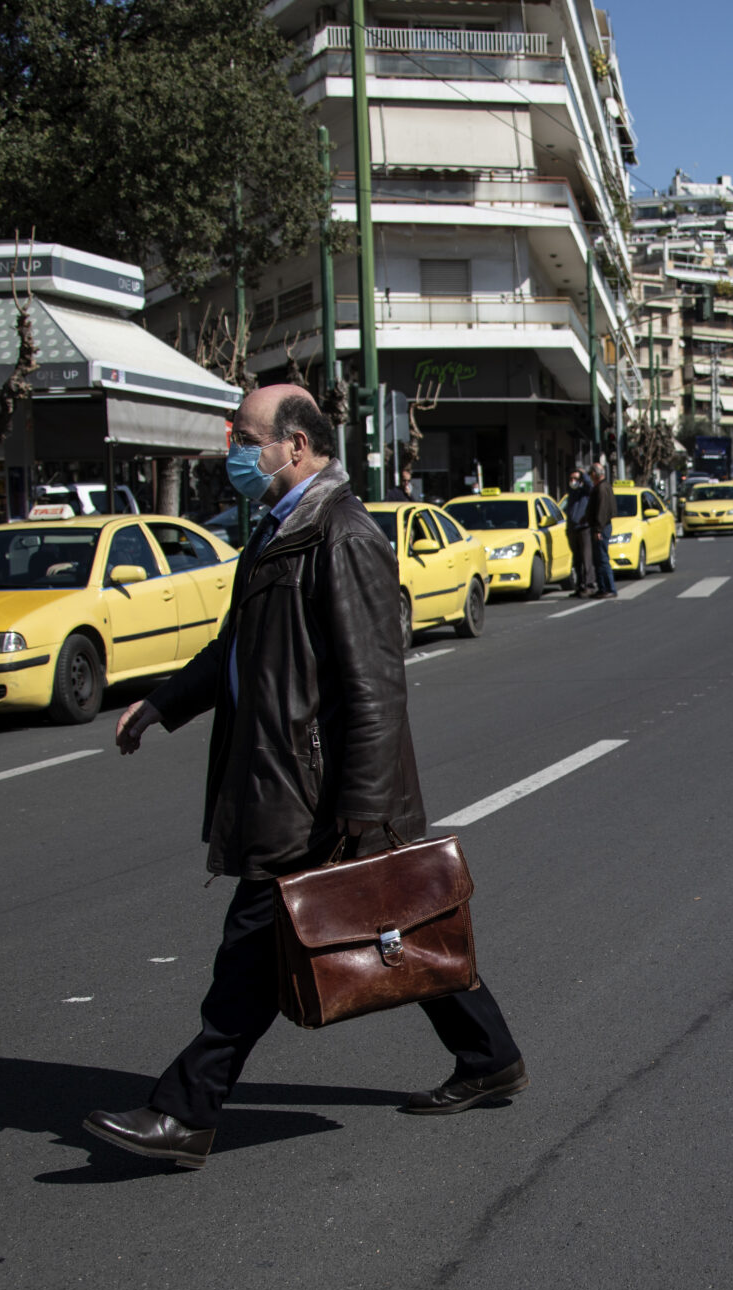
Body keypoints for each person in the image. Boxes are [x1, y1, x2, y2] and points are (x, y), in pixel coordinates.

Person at [84, 384, 526, 1170]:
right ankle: (490, 1055)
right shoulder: (277, 533)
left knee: (253, 949)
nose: (234, 450)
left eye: (246, 436)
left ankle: (185, 1110)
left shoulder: (342, 534)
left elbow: (375, 685)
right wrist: (159, 704)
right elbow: (232, 651)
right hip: (283, 780)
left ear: (295, 444)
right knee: (401, 925)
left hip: (314, 795)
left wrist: (362, 813)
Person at [587, 461, 617, 599]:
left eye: (591, 473)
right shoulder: (601, 487)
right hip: (601, 526)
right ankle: (602, 587)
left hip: (602, 527)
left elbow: (602, 510)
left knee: (602, 558)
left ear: (595, 474)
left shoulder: (602, 488)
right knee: (598, 559)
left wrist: (598, 529)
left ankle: (609, 588)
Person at [563, 467, 594, 597]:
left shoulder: (585, 492)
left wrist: (583, 474)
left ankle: (589, 585)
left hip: (584, 528)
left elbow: (590, 485)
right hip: (572, 528)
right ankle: (579, 585)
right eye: (571, 479)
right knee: (577, 560)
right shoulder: (571, 493)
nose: (572, 481)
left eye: (575, 479)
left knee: (587, 559)